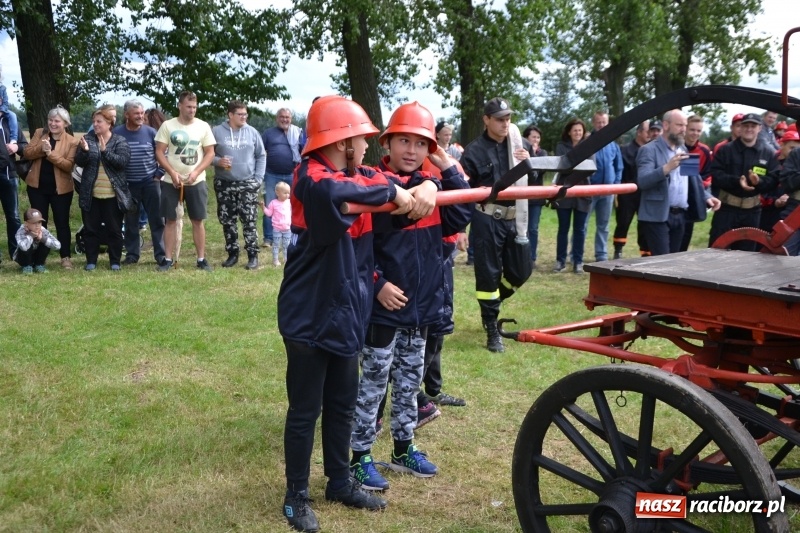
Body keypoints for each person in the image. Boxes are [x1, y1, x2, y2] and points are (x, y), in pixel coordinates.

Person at [277, 95, 418, 533]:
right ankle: (295, 496)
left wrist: (424, 188)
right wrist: (393, 192)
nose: (368, 145)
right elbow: (332, 193)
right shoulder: (311, 176)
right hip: (309, 313)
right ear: (343, 141)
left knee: (341, 404)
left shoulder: (362, 174)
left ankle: (339, 481)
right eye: (362, 137)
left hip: (348, 310)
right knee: (305, 410)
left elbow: (396, 184)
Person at [349, 101, 469, 493]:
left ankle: (403, 448)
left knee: (408, 382)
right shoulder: (375, 186)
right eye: (404, 141)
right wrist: (378, 283)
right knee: (373, 383)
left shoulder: (432, 191)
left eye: (422, 144)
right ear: (387, 143)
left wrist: (441, 169)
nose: (413, 151)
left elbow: (463, 207)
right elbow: (358, 250)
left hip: (421, 309)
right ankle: (359, 456)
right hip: (385, 309)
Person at [461, 97, 532, 353]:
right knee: (489, 274)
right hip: (487, 218)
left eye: (508, 118)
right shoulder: (474, 151)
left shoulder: (519, 145)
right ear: (486, 120)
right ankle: (491, 326)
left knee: (522, 271)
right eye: (500, 118)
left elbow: (532, 182)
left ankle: (492, 304)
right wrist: (460, 229)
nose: (505, 123)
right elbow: (462, 192)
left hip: (516, 218)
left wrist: (529, 162)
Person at [637, 110, 720, 255]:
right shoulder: (648, 150)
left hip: (681, 215)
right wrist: (666, 168)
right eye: (680, 125)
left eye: (685, 125)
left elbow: (693, 178)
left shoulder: (682, 148)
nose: (684, 129)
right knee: (662, 263)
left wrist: (707, 197)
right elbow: (643, 181)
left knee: (674, 262)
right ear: (666, 125)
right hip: (658, 216)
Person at [155, 90, 216, 272]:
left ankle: (201, 259)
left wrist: (196, 172)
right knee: (171, 220)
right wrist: (172, 172)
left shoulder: (203, 126)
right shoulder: (168, 126)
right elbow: (159, 152)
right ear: (180, 106)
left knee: (197, 219)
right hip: (170, 181)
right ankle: (167, 259)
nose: (192, 110)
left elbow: (210, 153)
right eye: (188, 106)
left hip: (196, 181)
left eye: (195, 107)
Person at [708, 113, 779, 251]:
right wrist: (736, 181)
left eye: (753, 126)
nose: (749, 129)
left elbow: (774, 179)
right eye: (745, 125)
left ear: (759, 128)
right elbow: (716, 175)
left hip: (753, 212)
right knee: (717, 250)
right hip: (727, 210)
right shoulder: (725, 150)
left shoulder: (768, 153)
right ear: (740, 128)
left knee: (747, 254)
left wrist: (759, 182)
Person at [75, 106, 133, 271]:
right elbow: (79, 161)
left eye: (99, 121)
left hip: (113, 195)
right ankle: (91, 261)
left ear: (109, 123)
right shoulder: (88, 138)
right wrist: (85, 152)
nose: (95, 124)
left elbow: (122, 162)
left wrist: (105, 151)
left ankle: (115, 261)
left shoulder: (119, 141)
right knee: (90, 230)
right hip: (91, 194)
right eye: (94, 121)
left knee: (114, 230)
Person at [22, 106, 80, 270]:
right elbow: (27, 153)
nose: (53, 124)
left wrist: (50, 153)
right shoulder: (40, 133)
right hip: (37, 187)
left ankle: (65, 257)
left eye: (57, 121)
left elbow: (68, 165)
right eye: (50, 120)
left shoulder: (72, 141)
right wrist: (42, 148)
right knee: (38, 224)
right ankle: (40, 259)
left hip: (61, 190)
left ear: (65, 123)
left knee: (62, 224)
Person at [212, 100, 266, 270]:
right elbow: (206, 154)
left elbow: (261, 155)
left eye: (245, 114)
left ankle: (252, 255)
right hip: (224, 183)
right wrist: (217, 161)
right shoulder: (216, 132)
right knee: (227, 220)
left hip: (247, 183)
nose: (244, 117)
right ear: (230, 115)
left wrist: (258, 178)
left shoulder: (252, 132)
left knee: (249, 220)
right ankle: (232, 254)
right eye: (240, 114)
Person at [114, 99, 166, 267]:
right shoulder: (117, 133)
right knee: (131, 222)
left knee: (157, 220)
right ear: (127, 114)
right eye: (136, 113)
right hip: (128, 185)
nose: (140, 116)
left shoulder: (151, 133)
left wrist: (159, 174)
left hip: (151, 183)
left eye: (142, 113)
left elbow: (164, 155)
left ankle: (161, 254)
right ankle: (132, 254)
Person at [553, 117, 591, 274]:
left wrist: (572, 165)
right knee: (563, 228)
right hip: (565, 192)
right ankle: (560, 261)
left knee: (580, 229)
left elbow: (590, 166)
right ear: (569, 132)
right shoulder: (561, 147)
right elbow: (562, 166)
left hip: (583, 193)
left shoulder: (589, 146)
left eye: (580, 130)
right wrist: (575, 165)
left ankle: (578, 262)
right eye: (575, 130)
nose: (577, 133)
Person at [261, 108, 303, 248]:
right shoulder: (268, 133)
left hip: (292, 174)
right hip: (272, 175)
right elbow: (260, 153)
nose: (285, 119)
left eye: (287, 117)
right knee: (270, 205)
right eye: (282, 117)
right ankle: (268, 238)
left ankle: (290, 235)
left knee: (292, 206)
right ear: (276, 118)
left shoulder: (296, 133)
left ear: (291, 119)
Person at [585, 111, 623, 262]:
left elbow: (619, 166)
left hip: (608, 191)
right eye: (599, 122)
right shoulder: (588, 143)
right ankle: (576, 254)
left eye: (604, 122)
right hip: (589, 190)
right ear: (594, 123)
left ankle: (601, 254)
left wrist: (616, 186)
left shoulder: (613, 145)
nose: (601, 125)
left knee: (604, 225)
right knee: (583, 224)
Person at [612, 120, 649, 259]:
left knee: (645, 224)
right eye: (647, 131)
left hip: (644, 194)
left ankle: (645, 252)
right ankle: (618, 249)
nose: (650, 134)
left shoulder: (651, 149)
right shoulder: (625, 149)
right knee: (623, 222)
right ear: (639, 132)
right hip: (627, 193)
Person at [678, 114, 714, 251]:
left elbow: (707, 175)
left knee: (685, 236)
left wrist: (701, 190)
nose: (695, 134)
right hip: (676, 197)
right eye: (692, 130)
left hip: (693, 198)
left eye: (698, 131)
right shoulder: (677, 147)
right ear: (686, 129)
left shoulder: (704, 150)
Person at [1, 108, 26, 263]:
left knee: (13, 216)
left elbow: (25, 146)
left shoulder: (11, 121)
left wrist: (17, 147)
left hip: (8, 175)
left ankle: (17, 253)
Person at [523, 124, 547, 267]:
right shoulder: (519, 151)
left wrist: (530, 156)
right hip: (520, 196)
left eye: (538, 137)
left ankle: (531, 258)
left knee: (533, 228)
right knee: (520, 228)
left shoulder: (543, 153)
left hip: (536, 197)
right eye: (533, 137)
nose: (536, 140)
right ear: (526, 138)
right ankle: (521, 257)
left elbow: (540, 171)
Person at [14, 208, 60, 273]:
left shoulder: (42, 230)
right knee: (26, 243)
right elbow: (23, 248)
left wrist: (42, 238)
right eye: (34, 223)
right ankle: (26, 266)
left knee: (46, 241)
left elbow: (58, 245)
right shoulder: (21, 231)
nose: (37, 225)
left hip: (36, 256)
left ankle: (39, 265)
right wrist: (30, 236)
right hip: (22, 258)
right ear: (26, 223)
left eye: (39, 222)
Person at [262, 181, 291, 267]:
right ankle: (275, 259)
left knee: (287, 245)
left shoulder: (289, 202)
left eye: (288, 193)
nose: (287, 195)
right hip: (277, 229)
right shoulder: (273, 203)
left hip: (287, 228)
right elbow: (269, 213)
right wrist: (263, 207)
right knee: (276, 245)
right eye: (285, 193)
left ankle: (286, 259)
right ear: (277, 192)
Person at [0, 68, 19, 145]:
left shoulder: (2, 88)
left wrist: (1, 112)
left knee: (12, 115)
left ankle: (14, 139)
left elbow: (5, 102)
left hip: (2, 109)